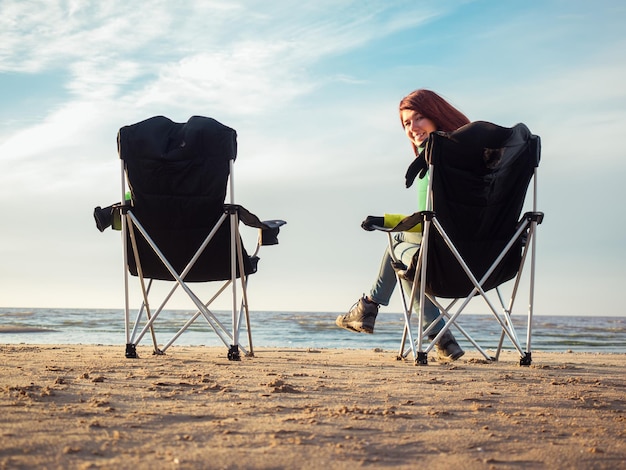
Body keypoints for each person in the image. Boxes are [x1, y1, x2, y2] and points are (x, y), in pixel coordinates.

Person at [335, 89, 470, 361]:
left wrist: (387, 224)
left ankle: (370, 307)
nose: (413, 128)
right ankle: (443, 341)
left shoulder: (435, 161)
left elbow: (425, 223)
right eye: (407, 123)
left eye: (419, 118)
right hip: (488, 263)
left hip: (444, 262)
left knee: (401, 255)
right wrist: (384, 220)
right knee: (407, 260)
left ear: (437, 115)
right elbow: (432, 218)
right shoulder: (477, 160)